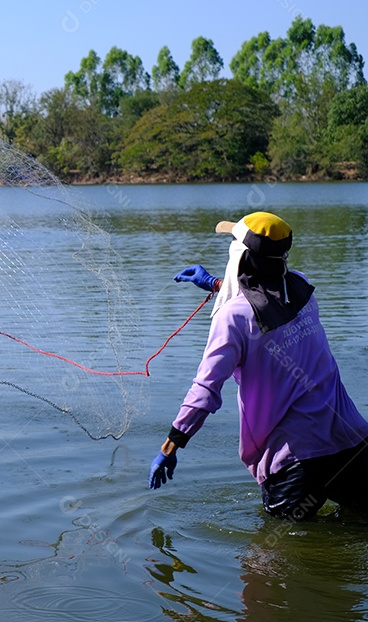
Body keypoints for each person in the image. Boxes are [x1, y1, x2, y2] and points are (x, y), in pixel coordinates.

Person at [149, 212, 368, 520]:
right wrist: (214, 283)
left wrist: (170, 446)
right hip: (352, 446)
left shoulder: (233, 318)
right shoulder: (303, 289)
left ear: (240, 257)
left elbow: (206, 390)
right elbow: (267, 295)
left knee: (273, 558)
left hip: (295, 461)